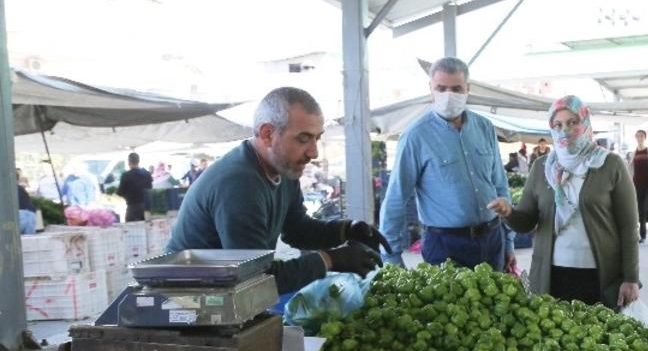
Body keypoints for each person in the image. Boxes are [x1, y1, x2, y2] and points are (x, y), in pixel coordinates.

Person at [167, 87, 387, 294]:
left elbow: (297, 230)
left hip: (226, 294)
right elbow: (256, 280)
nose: (314, 152)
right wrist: (330, 259)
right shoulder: (240, 185)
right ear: (267, 134)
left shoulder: (284, 171)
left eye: (317, 138)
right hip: (186, 301)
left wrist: (347, 230)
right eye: (303, 138)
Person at [379, 57, 515, 271]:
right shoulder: (416, 136)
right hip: (445, 246)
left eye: (456, 89)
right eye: (441, 88)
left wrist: (509, 241)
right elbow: (396, 197)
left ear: (467, 89)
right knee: (452, 304)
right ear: (431, 89)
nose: (448, 95)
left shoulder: (485, 128)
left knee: (495, 302)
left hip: (492, 239)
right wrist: (391, 257)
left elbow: (500, 184)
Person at [505, 96, 640, 308]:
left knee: (598, 338)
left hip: (600, 274)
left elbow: (629, 225)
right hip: (552, 274)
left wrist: (631, 277)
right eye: (557, 125)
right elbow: (526, 221)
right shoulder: (542, 168)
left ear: (585, 123)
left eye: (572, 122)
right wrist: (508, 213)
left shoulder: (609, 164)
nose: (564, 130)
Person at [116, 152, 154, 222]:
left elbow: (120, 192)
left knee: (132, 229)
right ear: (138, 161)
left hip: (132, 207)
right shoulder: (147, 174)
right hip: (146, 208)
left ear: (129, 162)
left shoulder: (126, 175)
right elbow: (150, 189)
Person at [16, 169, 37, 234]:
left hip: (18, 215)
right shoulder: (20, 188)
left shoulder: (5, 189)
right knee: (29, 241)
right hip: (31, 214)